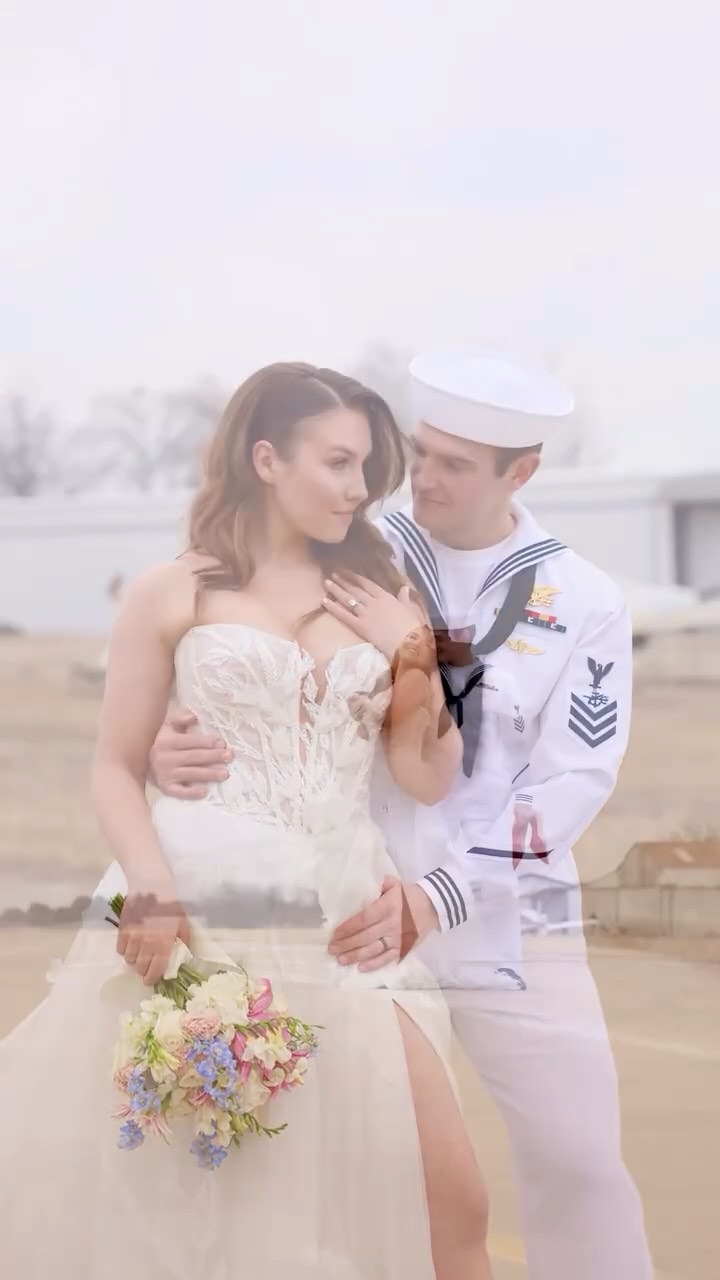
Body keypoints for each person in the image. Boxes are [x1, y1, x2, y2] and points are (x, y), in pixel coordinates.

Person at [154, 350, 655, 1280]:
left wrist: (440, 896)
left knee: (578, 1162)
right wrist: (163, 742)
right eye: (421, 452)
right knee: (356, 1173)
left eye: (455, 464)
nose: (422, 477)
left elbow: (571, 783)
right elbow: (226, 658)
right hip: (351, 910)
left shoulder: (585, 601)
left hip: (510, 925)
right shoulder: (347, 547)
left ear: (521, 472)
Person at [0, 363, 494, 1280]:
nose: (358, 488)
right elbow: (113, 765)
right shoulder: (170, 591)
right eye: (337, 462)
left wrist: (416, 655)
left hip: (350, 918)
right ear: (267, 459)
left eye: (366, 468)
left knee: (452, 1205)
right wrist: (149, 891)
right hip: (203, 914)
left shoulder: (387, 595)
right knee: (204, 1216)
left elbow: (429, 775)